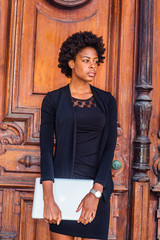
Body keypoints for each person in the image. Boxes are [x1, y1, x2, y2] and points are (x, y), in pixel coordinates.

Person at [40, 31, 117, 240]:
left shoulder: (107, 101)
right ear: (71, 63)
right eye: (86, 61)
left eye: (95, 61)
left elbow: (110, 148)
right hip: (62, 191)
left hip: (96, 191)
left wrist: (96, 193)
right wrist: (48, 198)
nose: (93, 66)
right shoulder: (53, 100)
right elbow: (46, 150)